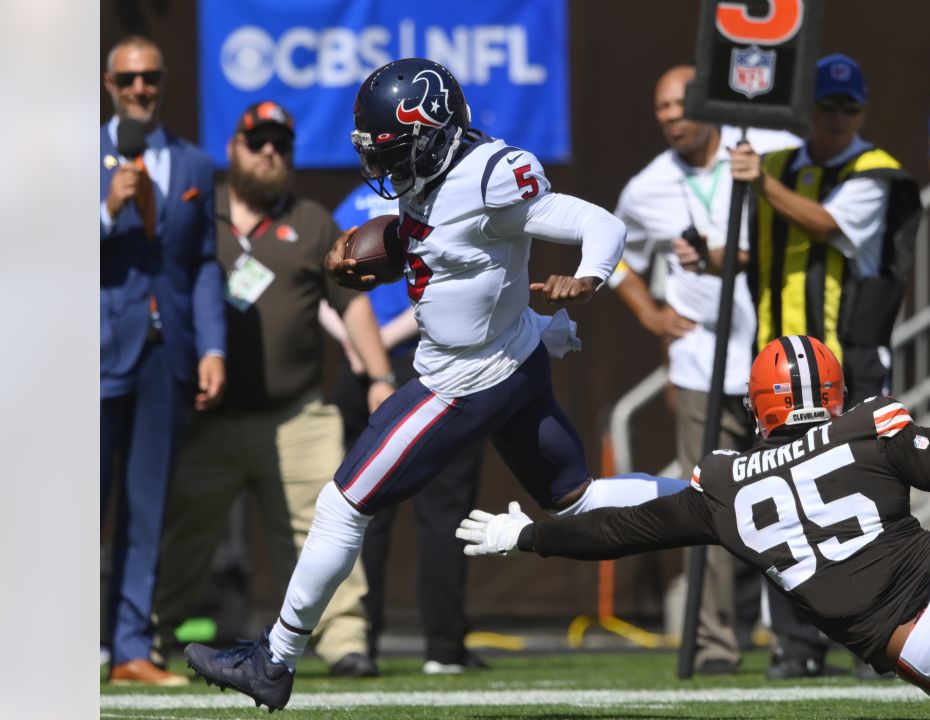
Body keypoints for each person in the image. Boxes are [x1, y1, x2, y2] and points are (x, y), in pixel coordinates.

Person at [183, 58, 685, 710]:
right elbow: (450, 254)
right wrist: (390, 257)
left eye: (397, 151)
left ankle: (274, 660)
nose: (387, 169)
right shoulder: (437, 171)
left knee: (343, 505)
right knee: (576, 502)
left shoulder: (491, 177)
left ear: (434, 135)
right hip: (511, 357)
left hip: (464, 380)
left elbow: (602, 226)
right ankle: (709, 501)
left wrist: (587, 278)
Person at [460, 295, 930, 720]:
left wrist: (531, 538)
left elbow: (622, 529)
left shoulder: (725, 486)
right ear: (832, 394)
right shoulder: (868, 428)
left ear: (759, 410)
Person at [154, 101, 394, 679]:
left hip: (296, 416)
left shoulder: (311, 221)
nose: (269, 152)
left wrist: (381, 377)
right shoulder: (196, 209)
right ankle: (151, 641)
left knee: (328, 528)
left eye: (280, 145)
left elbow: (352, 303)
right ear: (232, 150)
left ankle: (345, 644)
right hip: (206, 417)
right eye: (256, 141)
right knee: (183, 538)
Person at [719, 52, 922, 678]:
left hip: (849, 361)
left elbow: (828, 224)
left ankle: (880, 634)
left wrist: (760, 183)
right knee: (779, 497)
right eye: (826, 105)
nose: (836, 117)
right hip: (779, 365)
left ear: (861, 111)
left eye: (848, 107)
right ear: (808, 107)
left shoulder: (873, 170)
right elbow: (761, 246)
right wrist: (711, 256)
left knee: (868, 492)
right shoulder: (776, 165)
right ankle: (796, 646)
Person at [610, 64, 799, 675]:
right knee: (712, 505)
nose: (668, 116)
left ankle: (804, 638)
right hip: (699, 363)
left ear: (709, 103)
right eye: (659, 107)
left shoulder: (766, 151)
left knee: (796, 497)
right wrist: (650, 315)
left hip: (779, 358)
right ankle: (719, 643)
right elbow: (613, 256)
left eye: (679, 104)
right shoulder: (646, 187)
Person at [100, 35, 226, 686]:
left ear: (163, 80)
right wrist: (104, 208)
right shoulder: (69, 158)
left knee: (146, 508)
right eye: (128, 80)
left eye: (150, 78)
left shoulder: (196, 165)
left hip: (165, 355)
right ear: (107, 84)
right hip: (86, 353)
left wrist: (211, 345)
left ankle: (128, 649)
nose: (140, 90)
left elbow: (202, 264)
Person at [326, 184, 490, 675]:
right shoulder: (439, 200)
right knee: (435, 509)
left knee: (363, 507)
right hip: (426, 366)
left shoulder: (352, 203)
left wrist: (359, 345)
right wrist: (374, 345)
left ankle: (365, 644)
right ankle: (440, 648)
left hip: (367, 362)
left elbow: (322, 287)